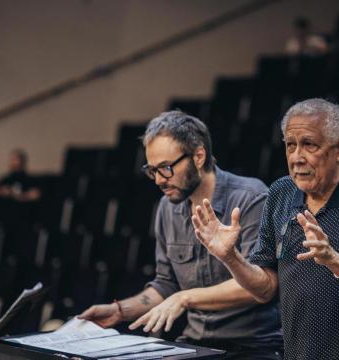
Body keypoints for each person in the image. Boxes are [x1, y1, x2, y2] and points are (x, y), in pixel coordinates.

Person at [192, 99, 339, 359]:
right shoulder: (280, 193)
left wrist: (334, 260)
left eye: (309, 145)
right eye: (290, 145)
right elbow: (266, 289)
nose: (296, 157)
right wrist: (231, 258)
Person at [79, 111, 283, 359]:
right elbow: (166, 284)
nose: (158, 181)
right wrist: (120, 311)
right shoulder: (168, 207)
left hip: (252, 346)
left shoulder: (251, 198)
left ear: (198, 156)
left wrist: (185, 298)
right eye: (151, 170)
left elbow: (260, 286)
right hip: (196, 342)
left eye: (165, 168)